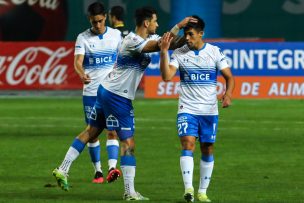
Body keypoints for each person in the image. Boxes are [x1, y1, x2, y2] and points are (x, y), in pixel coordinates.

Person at [159, 16, 235, 202]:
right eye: (186, 34)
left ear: (201, 34)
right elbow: (167, 76)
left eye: (191, 35)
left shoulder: (214, 52)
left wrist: (228, 94)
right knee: (188, 144)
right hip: (187, 109)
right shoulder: (180, 53)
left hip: (209, 111)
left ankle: (202, 191)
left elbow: (229, 77)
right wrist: (163, 52)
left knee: (207, 148)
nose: (187, 38)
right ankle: (189, 189)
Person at [52, 2, 122, 190]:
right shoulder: (83, 37)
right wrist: (81, 73)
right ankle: (97, 170)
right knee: (92, 134)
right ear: (89, 19)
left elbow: (122, 58)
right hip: (92, 93)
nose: (97, 25)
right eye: (94, 22)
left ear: (105, 17)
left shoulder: (116, 36)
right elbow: (77, 62)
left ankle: (111, 168)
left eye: (100, 21)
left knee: (111, 131)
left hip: (111, 93)